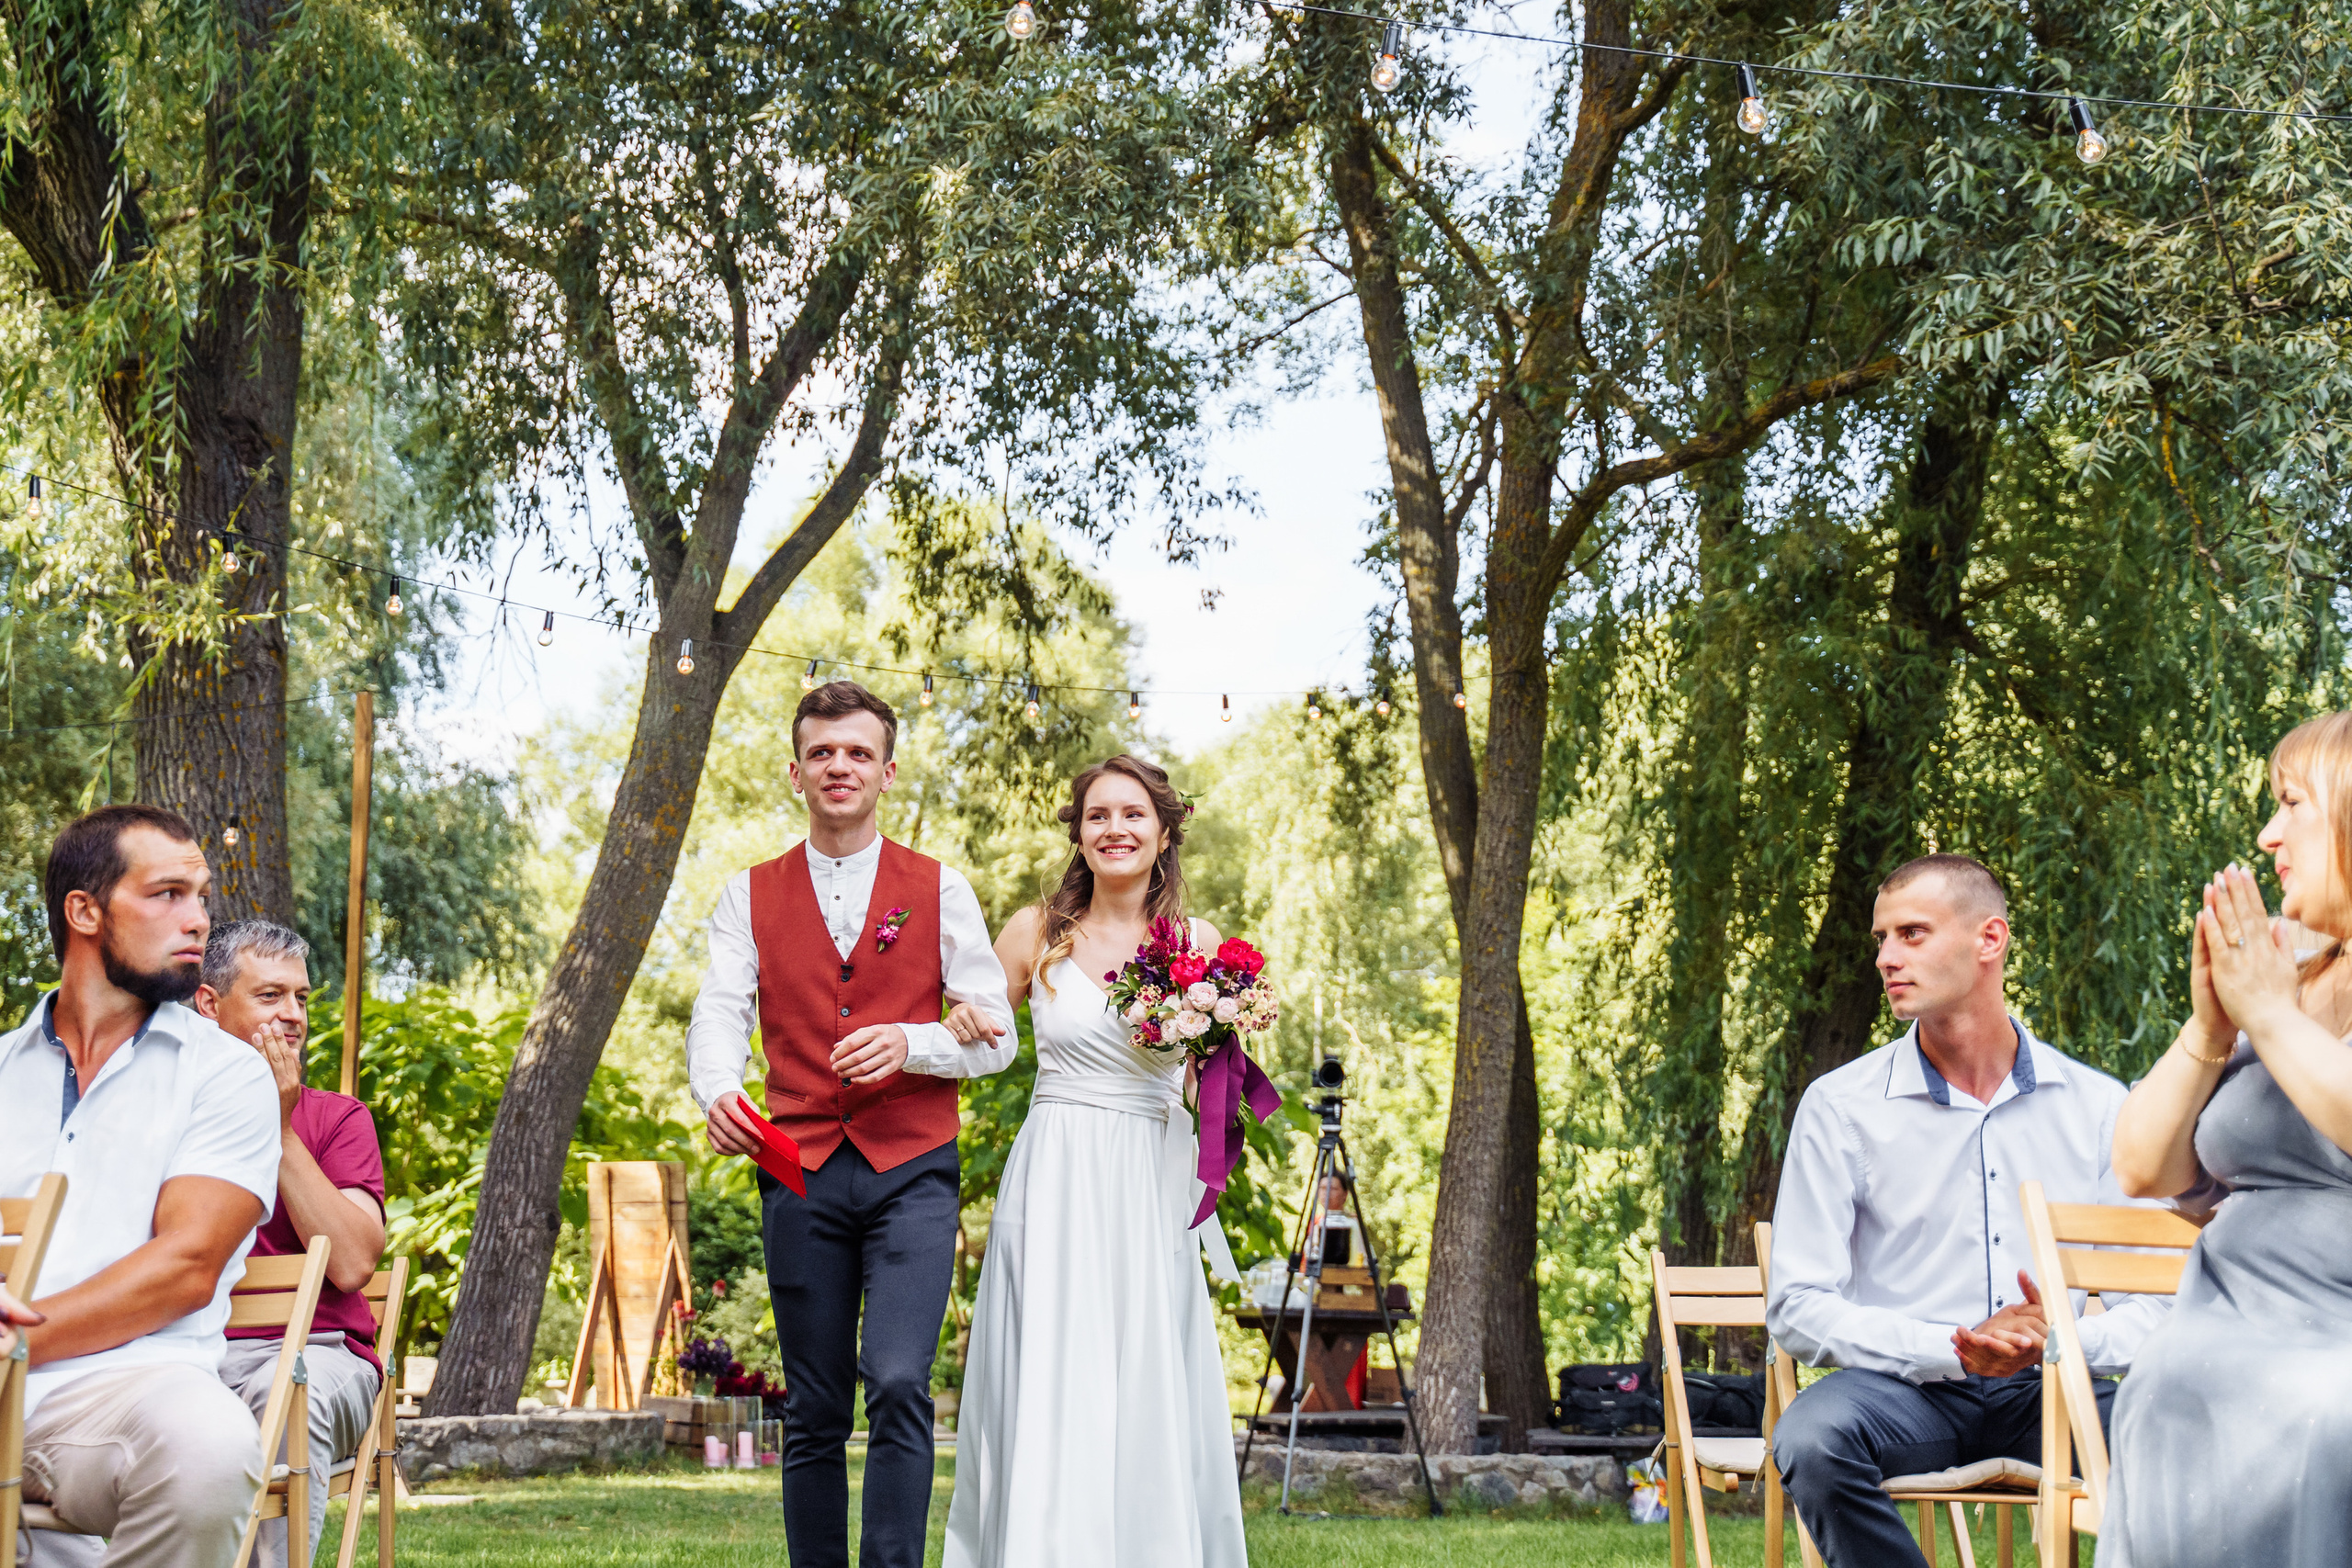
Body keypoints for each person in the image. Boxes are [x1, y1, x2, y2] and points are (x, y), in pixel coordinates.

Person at [684, 681, 1015, 1568]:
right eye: (823, 753)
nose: (841, 766)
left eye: (858, 752)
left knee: (901, 1380)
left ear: (887, 770)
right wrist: (717, 1088)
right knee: (818, 1404)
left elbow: (999, 1035)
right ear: (796, 772)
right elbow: (717, 1011)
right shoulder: (745, 894)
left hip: (914, 1169)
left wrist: (912, 1043)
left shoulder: (941, 889)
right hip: (799, 1167)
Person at [1767, 854, 2168, 1568]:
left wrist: (2059, 1342)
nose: (1887, 957)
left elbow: (2161, 1301)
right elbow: (1797, 1305)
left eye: (1912, 933)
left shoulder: (2101, 1107)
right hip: (1903, 1394)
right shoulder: (1840, 1106)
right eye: (1881, 939)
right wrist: (1947, 1345)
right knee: (1812, 1437)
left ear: (1990, 939)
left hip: (2053, 1387)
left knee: (2200, 1428)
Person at [944, 754, 1248, 1568]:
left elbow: (1213, 1080)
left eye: (1133, 814)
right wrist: (963, 1020)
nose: (1115, 828)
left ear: (1164, 829)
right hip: (1058, 1169)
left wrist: (1223, 1059)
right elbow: (970, 1028)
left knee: (1146, 1359)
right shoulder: (1031, 931)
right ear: (1079, 834)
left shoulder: (1198, 944)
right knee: (1051, 1359)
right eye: (1098, 816)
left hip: (1147, 1175)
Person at [2099, 716, 2352, 1567]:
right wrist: (2213, 1021)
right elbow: (2141, 1164)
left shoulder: (2275, 995)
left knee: (2331, 1413)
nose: (2267, 835)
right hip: (2220, 1327)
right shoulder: (2283, 970)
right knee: (2159, 1392)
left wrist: (2270, 1015)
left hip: (2335, 1335)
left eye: (2291, 805)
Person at [0, 806, 281, 1568]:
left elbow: (186, 1267)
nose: (197, 921)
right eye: (166, 895)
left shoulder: (226, 1072)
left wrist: (13, 1339)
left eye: (202, 897)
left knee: (209, 1448)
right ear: (84, 911)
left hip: (123, 1390)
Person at [194, 920, 387, 1568]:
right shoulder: (171, 1115)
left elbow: (356, 1261)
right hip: (200, 1351)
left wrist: (275, 1129)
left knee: (288, 1390)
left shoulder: (338, 1118)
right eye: (272, 995)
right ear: (209, 1005)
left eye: (302, 997)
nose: (294, 1015)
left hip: (320, 1355)